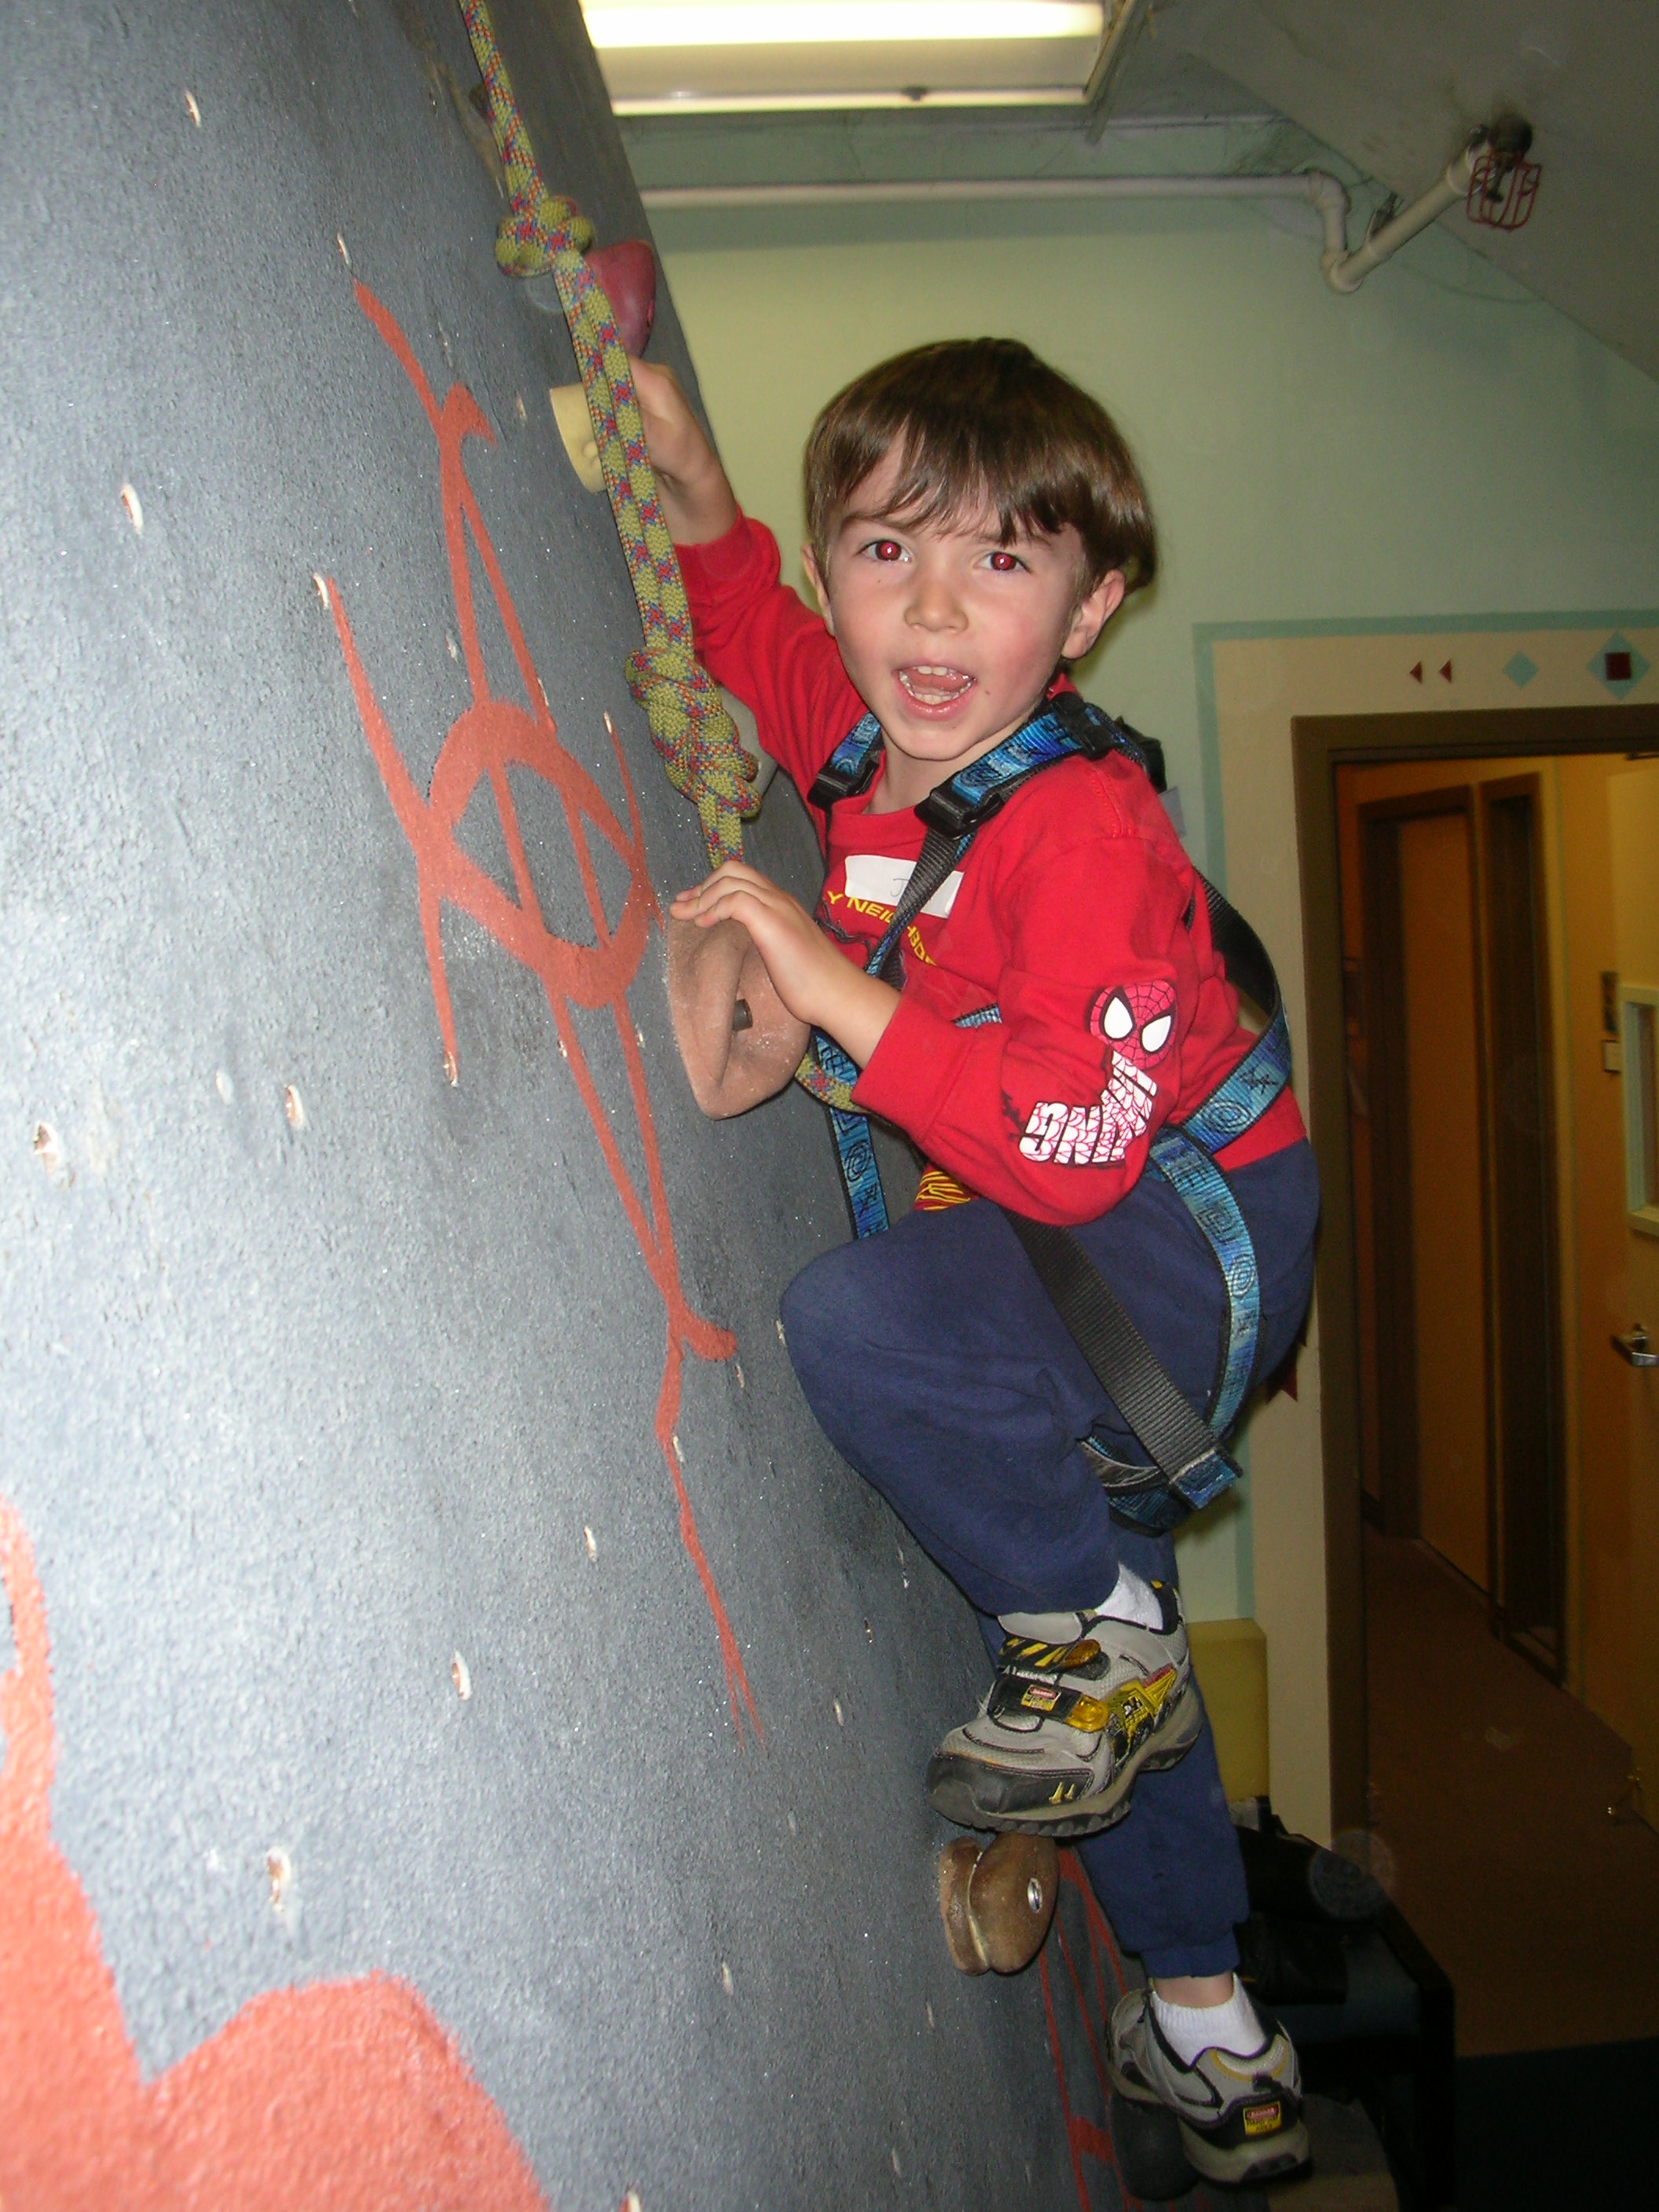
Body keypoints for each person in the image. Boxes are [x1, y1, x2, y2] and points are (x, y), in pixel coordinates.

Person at [637, 339, 1319, 2188]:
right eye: (885, 551)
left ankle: (1088, 1636)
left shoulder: (1082, 824)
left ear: (1087, 610)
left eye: (999, 562)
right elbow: (745, 619)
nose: (930, 610)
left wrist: (818, 972)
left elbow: (1068, 1144)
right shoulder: (877, 740)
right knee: (1115, 1629)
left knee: (860, 1323)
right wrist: (684, 470)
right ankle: (1210, 2017)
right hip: (1093, 1213)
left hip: (1185, 1227)